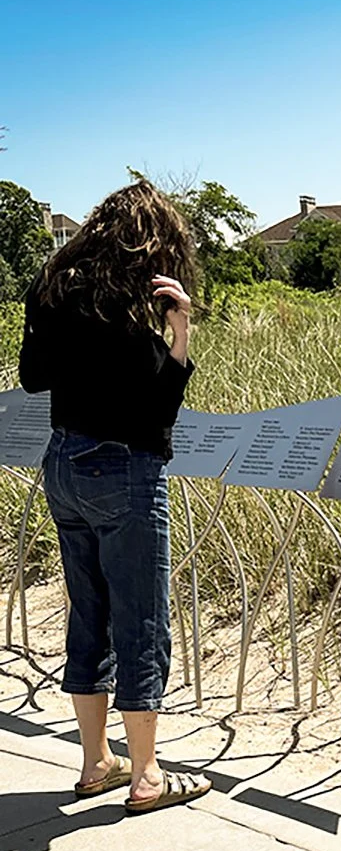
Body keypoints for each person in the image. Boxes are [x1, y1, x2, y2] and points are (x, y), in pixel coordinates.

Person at [19, 180, 211, 813]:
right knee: (140, 617)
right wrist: (179, 332)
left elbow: (30, 377)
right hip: (123, 467)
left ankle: (96, 758)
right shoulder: (132, 305)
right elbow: (158, 406)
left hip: (62, 461)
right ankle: (148, 773)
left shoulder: (54, 288)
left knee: (88, 611)